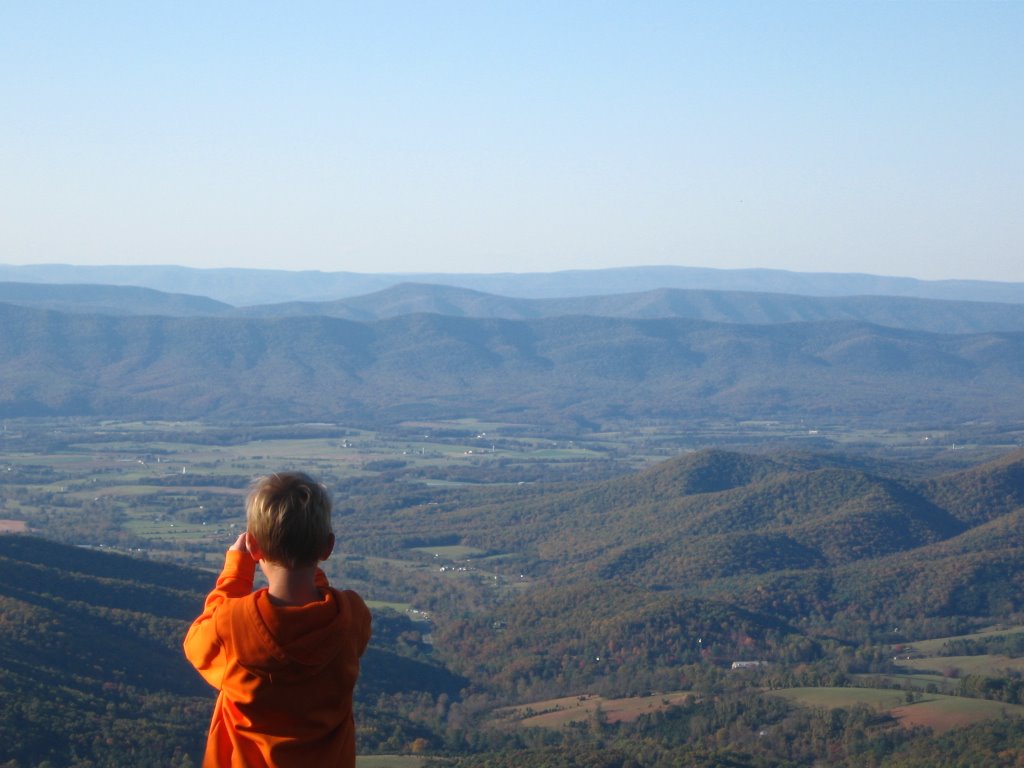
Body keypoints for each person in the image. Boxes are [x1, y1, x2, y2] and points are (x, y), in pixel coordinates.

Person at [184, 472, 372, 768]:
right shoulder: (351, 615)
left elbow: (196, 645)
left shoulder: (232, 624)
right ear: (327, 547)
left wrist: (236, 571)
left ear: (254, 547)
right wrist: (313, 574)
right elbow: (324, 612)